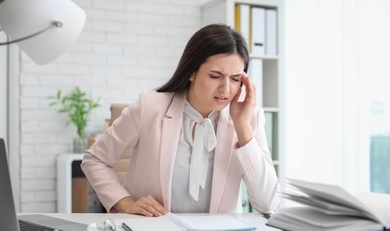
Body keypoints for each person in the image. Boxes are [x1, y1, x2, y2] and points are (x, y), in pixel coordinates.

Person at [81, 23, 280, 217]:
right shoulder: (149, 107)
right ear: (192, 71)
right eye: (215, 76)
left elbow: (267, 203)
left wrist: (243, 128)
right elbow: (95, 159)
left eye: (235, 79)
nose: (226, 89)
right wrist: (124, 203)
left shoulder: (249, 118)